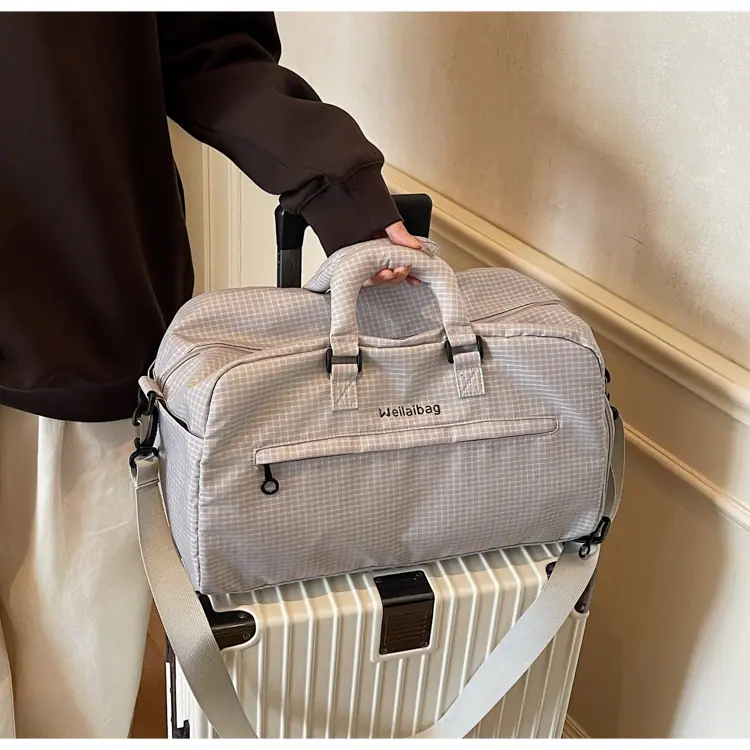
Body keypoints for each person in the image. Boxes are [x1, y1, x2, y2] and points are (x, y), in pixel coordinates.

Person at [0, 12, 422, 738]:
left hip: (73, 325)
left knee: (66, 703)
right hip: (80, 320)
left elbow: (208, 42)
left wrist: (336, 186)